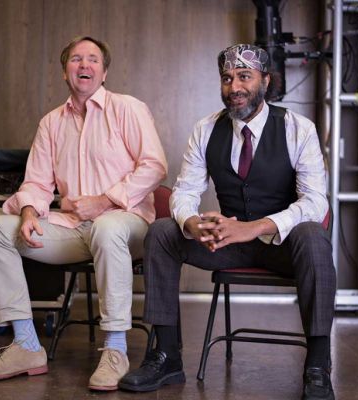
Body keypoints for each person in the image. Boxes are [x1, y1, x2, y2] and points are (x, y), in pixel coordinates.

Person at [119, 44, 336, 400]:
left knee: (314, 235)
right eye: (227, 78)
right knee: (162, 232)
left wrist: (252, 228)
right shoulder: (206, 129)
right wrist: (192, 224)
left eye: (244, 76)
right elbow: (185, 193)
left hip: (283, 247)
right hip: (227, 247)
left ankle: (317, 364)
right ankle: (167, 355)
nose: (234, 86)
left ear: (265, 81)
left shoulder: (299, 128)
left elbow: (315, 202)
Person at [0, 36, 167, 391]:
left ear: (104, 71)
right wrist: (29, 211)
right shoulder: (51, 123)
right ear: (65, 72)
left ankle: (116, 350)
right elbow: (36, 182)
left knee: (107, 227)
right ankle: (27, 345)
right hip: (74, 229)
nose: (84, 65)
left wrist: (104, 201)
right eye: (76, 59)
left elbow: (155, 167)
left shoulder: (128, 109)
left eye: (93, 59)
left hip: (128, 225)